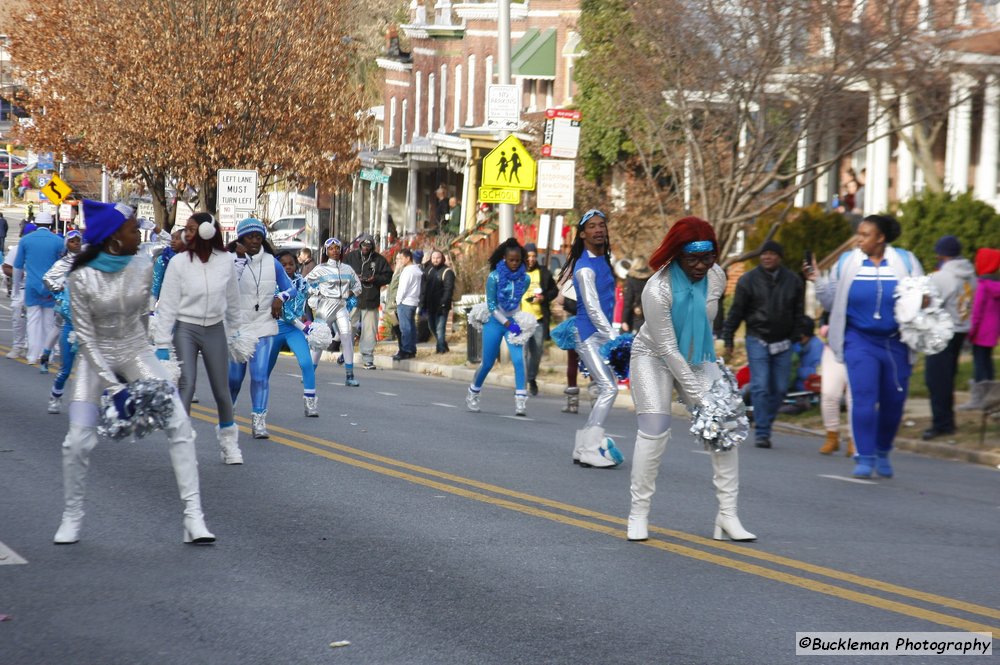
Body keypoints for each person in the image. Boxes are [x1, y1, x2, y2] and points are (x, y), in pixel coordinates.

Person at [54, 199, 215, 545]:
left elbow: (143, 321)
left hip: (135, 352)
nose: (138, 233)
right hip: (94, 360)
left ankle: (193, 517)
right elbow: (86, 339)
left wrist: (153, 367)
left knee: (180, 425)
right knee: (77, 442)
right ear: (113, 237)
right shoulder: (81, 278)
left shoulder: (143, 265)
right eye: (132, 229)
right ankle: (72, 515)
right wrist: (116, 388)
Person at [626, 216, 755, 543]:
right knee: (655, 429)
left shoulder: (716, 276)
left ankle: (728, 516)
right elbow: (668, 348)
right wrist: (700, 398)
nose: (700, 265)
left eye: (707, 257)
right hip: (654, 356)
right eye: (692, 258)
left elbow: (704, 322)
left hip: (698, 356)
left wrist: (713, 405)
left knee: (724, 424)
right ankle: (638, 513)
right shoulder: (657, 289)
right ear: (676, 255)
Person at [808, 214, 923, 479]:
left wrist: (924, 302)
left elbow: (920, 295)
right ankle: (865, 455)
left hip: (896, 342)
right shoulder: (848, 262)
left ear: (880, 238)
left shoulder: (905, 261)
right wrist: (817, 280)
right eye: (858, 233)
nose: (859, 239)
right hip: (859, 340)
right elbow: (831, 302)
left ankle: (883, 450)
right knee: (863, 397)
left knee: (894, 402)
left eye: (865, 234)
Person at [152, 213, 245, 464]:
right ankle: (181, 443)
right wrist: (161, 343)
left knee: (221, 390)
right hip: (186, 328)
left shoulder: (226, 260)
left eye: (192, 229)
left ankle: (229, 444)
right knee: (187, 384)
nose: (187, 233)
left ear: (207, 230)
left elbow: (233, 299)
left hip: (215, 328)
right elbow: (168, 304)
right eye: (186, 229)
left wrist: (236, 331)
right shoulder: (179, 262)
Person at [722, 240, 805, 448]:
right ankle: (762, 431)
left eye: (772, 254)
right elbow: (736, 311)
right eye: (764, 253)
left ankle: (764, 420)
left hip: (784, 341)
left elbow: (799, 312)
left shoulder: (793, 281)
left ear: (780, 257)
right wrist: (729, 337)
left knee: (779, 388)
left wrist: (795, 337)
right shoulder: (748, 280)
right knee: (760, 386)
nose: (767, 257)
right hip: (757, 337)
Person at [227, 218, 298, 439]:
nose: (255, 241)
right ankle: (228, 413)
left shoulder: (272, 262)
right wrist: (238, 258)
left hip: (264, 325)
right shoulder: (229, 260)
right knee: (235, 379)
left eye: (259, 237)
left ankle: (259, 422)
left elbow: (292, 288)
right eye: (250, 237)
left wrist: (280, 297)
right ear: (241, 238)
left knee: (260, 377)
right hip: (238, 327)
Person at [571, 209, 625, 468]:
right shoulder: (584, 268)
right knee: (609, 388)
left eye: (601, 225)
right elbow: (592, 308)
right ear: (582, 234)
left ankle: (583, 446)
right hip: (588, 334)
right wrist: (614, 337)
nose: (598, 230)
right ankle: (590, 448)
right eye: (592, 226)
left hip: (599, 334)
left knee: (606, 387)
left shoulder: (604, 260)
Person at [466, 238, 531, 416]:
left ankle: (520, 401)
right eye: (511, 260)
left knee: (519, 361)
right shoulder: (494, 277)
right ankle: (473, 392)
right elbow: (492, 306)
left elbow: (516, 301)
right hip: (495, 322)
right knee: (487, 363)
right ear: (504, 258)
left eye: (518, 260)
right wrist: (507, 323)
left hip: (514, 323)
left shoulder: (525, 279)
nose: (515, 263)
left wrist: (517, 322)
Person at [921, 236, 976, 440]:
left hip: (941, 331)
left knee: (935, 380)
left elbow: (929, 305)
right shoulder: (970, 274)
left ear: (941, 254)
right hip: (961, 329)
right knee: (947, 377)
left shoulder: (942, 277)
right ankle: (948, 421)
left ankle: (941, 424)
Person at [307, 238, 362, 386]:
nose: (335, 251)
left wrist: (351, 292)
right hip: (325, 306)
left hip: (341, 306)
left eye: (337, 248)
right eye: (331, 249)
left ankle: (350, 376)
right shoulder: (320, 268)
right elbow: (305, 283)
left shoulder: (347, 269)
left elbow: (358, 285)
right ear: (326, 251)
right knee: (320, 340)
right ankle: (309, 373)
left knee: (347, 336)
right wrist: (316, 292)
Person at [269, 251, 321, 412]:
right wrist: (304, 327)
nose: (288, 267)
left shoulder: (301, 282)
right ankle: (259, 404)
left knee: (306, 363)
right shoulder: (272, 283)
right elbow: (285, 313)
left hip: (293, 330)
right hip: (274, 328)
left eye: (291, 263)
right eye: (283, 265)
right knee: (264, 369)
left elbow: (304, 304)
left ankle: (310, 401)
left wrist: (310, 320)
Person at [13, 211, 65, 365]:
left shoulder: (26, 240)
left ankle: (32, 355)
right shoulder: (57, 241)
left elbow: (17, 267)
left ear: (36, 223)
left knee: (33, 321)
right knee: (49, 322)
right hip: (50, 287)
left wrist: (16, 289)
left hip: (31, 286)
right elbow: (61, 266)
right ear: (50, 224)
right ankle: (46, 355)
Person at [41, 230, 83, 411]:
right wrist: (61, 292)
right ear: (66, 244)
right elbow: (47, 279)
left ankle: (92, 403)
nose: (76, 244)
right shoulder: (62, 263)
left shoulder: (88, 261)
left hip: (89, 326)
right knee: (66, 368)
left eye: (78, 241)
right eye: (72, 241)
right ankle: (55, 397)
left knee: (93, 370)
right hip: (70, 323)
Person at [344, 233, 393, 369]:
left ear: (372, 246)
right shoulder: (351, 257)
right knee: (349, 327)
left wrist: (374, 278)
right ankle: (346, 352)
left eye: (368, 245)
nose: (366, 247)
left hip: (371, 298)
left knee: (369, 330)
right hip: (352, 297)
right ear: (359, 245)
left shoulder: (379, 260)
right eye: (364, 245)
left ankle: (367, 358)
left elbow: (388, 276)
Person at [961, 247, 1000, 409]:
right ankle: (991, 397)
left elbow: (976, 313)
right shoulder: (996, 285)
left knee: (979, 365)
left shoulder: (982, 286)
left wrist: (970, 333)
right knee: (987, 363)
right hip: (992, 332)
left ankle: (978, 399)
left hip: (980, 332)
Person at [520, 243, 559, 395]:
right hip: (521, 320)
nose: (531, 259)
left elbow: (554, 291)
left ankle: (531, 378)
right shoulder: (518, 273)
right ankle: (521, 384)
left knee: (536, 353)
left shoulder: (543, 272)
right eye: (528, 256)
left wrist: (544, 298)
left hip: (538, 320)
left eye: (533, 256)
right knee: (522, 353)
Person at [817, 318, 855, 456]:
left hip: (859, 346)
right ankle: (832, 436)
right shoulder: (836, 296)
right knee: (829, 394)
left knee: (854, 397)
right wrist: (825, 328)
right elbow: (825, 316)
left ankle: (854, 439)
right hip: (833, 348)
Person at [422, 250, 455, 354]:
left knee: (440, 328)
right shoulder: (429, 270)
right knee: (432, 326)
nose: (435, 260)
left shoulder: (447, 272)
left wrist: (444, 303)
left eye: (438, 258)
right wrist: (423, 304)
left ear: (442, 259)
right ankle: (443, 344)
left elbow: (448, 289)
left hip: (442, 306)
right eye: (433, 258)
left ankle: (440, 349)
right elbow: (424, 288)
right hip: (430, 305)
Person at [393, 248, 422, 361]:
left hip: (405, 302)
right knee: (411, 327)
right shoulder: (417, 270)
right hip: (413, 301)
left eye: (401, 258)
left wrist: (398, 300)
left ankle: (406, 350)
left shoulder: (407, 271)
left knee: (405, 328)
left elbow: (403, 288)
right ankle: (411, 349)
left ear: (408, 258)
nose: (399, 260)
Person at [3, 233, 28, 358]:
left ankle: (38, 348)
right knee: (18, 316)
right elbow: (6, 267)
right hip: (22, 289)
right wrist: (18, 273)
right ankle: (18, 346)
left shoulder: (47, 247)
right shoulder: (18, 249)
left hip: (41, 289)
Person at [151, 227, 185, 302]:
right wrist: (152, 306)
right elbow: (156, 283)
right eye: (173, 238)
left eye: (178, 238)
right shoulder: (163, 259)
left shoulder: (192, 259)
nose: (173, 241)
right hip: (166, 301)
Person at [621, 257, 653, 334]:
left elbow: (628, 302)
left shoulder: (631, 280)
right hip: (648, 316)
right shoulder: (651, 280)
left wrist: (624, 320)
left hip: (634, 318)